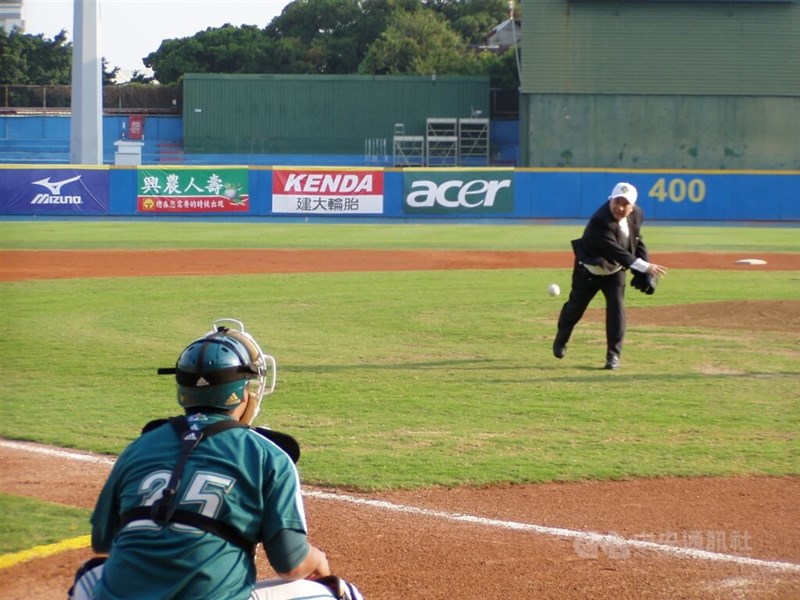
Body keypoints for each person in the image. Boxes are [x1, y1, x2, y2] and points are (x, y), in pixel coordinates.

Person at [69, 318, 362, 600]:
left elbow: (103, 541)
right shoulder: (267, 454)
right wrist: (317, 559)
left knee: (91, 574)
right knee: (339, 592)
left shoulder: (140, 447)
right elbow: (291, 562)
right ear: (242, 392)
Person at [552, 183, 667, 370]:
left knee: (617, 310)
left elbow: (636, 241)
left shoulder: (637, 214)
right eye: (616, 202)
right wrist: (645, 267)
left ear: (632, 206)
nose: (620, 208)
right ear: (610, 199)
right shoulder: (600, 221)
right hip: (589, 271)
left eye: (625, 204)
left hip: (614, 272)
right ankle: (561, 339)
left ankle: (613, 356)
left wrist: (643, 268)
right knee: (575, 308)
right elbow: (616, 251)